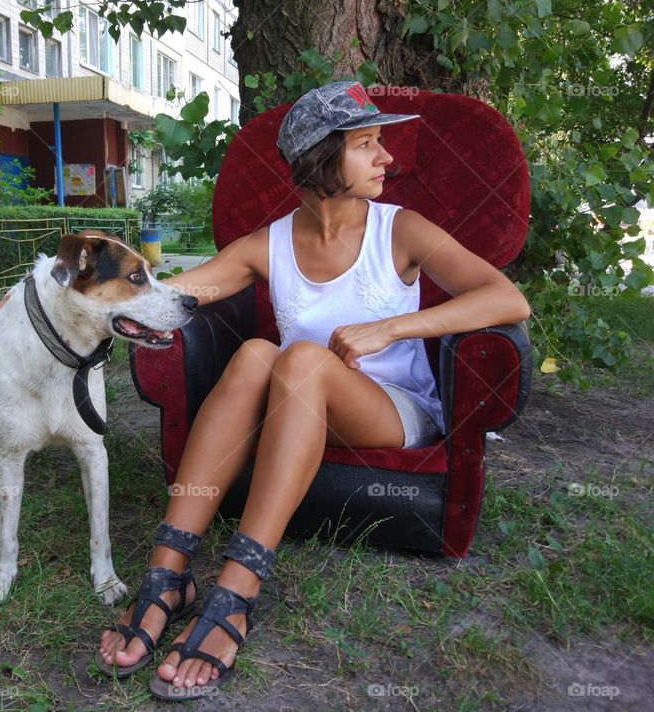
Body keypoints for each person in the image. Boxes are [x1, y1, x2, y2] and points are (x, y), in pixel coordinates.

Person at [95, 80, 531, 701]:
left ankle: (238, 590)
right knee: (254, 354)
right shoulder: (266, 245)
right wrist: (60, 294)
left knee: (297, 358)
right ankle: (167, 577)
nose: (388, 159)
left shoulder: (401, 230)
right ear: (322, 158)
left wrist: (393, 326)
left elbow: (506, 298)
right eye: (367, 144)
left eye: (381, 144)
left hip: (394, 411)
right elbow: (169, 296)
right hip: (300, 401)